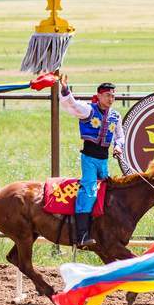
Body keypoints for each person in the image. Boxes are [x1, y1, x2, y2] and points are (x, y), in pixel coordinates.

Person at [59, 75, 124, 247]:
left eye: (113, 96)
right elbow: (72, 104)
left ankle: (104, 230)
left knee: (107, 191)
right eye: (108, 95)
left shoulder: (115, 116)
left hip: (104, 160)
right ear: (99, 96)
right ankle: (81, 235)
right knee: (89, 192)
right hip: (89, 158)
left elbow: (120, 136)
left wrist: (118, 146)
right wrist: (65, 89)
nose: (111, 99)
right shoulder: (88, 110)